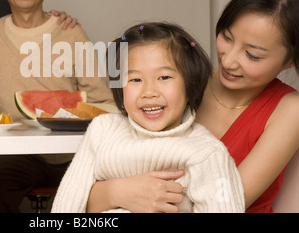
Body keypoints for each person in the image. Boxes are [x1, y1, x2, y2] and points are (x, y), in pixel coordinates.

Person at [86, 0, 299, 213]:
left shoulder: (290, 109)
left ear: (289, 60)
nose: (228, 61)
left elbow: (225, 203)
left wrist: (127, 193)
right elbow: (88, 196)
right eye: (227, 37)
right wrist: (116, 191)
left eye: (252, 55)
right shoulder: (181, 83)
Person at [0, 0, 114, 212]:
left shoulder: (70, 32)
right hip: (17, 156)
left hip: (75, 155)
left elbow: (101, 102)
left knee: (111, 193)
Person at [52, 22, 245, 213]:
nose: (149, 92)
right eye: (135, 79)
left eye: (164, 77)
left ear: (190, 85)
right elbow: (67, 203)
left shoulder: (206, 153)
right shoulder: (103, 130)